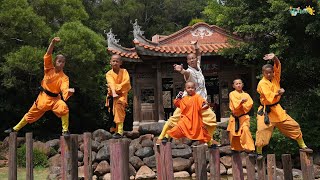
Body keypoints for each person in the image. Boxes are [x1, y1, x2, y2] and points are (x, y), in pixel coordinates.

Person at [4, 37, 74, 136]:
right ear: (55, 62)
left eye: (63, 62)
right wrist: (52, 43)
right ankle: (15, 129)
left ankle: (65, 130)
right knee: (30, 115)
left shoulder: (65, 77)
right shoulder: (49, 69)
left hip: (55, 100)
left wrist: (69, 92)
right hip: (43, 98)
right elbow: (48, 55)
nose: (61, 63)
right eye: (59, 61)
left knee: (64, 107)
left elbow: (64, 89)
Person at [158, 41, 217, 145]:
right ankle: (163, 136)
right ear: (188, 62)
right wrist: (181, 70)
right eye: (189, 59)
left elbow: (199, 53)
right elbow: (185, 73)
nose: (192, 60)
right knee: (175, 119)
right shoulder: (189, 72)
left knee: (211, 118)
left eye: (193, 58)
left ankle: (209, 141)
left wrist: (195, 45)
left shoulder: (198, 68)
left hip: (200, 102)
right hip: (187, 102)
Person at [255, 53, 312, 159]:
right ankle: (258, 152)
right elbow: (268, 96)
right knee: (262, 130)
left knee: (293, 125)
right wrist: (279, 93)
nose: (269, 75)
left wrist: (275, 58)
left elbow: (278, 67)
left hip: (277, 109)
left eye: (270, 73)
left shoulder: (275, 78)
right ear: (263, 73)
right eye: (267, 73)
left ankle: (303, 145)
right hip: (266, 110)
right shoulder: (262, 83)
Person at [105, 54, 131, 139]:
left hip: (122, 95)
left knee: (119, 107)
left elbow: (126, 83)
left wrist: (116, 88)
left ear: (121, 63)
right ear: (110, 62)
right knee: (113, 112)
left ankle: (120, 131)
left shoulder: (124, 72)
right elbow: (111, 83)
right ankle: (115, 131)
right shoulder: (109, 73)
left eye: (117, 61)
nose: (115, 63)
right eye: (113, 61)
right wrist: (113, 90)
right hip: (112, 96)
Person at [227, 79, 255, 153]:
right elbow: (235, 104)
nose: (238, 85)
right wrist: (241, 102)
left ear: (242, 85)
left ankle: (250, 148)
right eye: (236, 84)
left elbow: (249, 104)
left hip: (243, 117)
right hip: (234, 117)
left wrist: (242, 104)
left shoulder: (246, 95)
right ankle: (236, 149)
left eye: (240, 83)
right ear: (233, 86)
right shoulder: (232, 94)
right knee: (234, 136)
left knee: (245, 129)